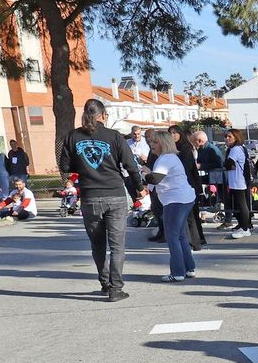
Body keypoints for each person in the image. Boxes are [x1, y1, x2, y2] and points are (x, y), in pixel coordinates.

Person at [58, 97, 145, 301]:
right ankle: (116, 288)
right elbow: (130, 165)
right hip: (114, 193)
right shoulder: (114, 136)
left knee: (97, 245)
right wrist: (139, 188)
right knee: (117, 246)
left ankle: (105, 283)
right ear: (103, 115)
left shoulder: (73, 136)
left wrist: (82, 166)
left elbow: (64, 166)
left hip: (90, 196)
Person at [145, 128, 197, 282]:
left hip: (175, 200)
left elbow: (154, 179)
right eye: (151, 141)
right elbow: (156, 180)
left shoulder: (165, 159)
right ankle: (189, 268)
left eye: (155, 142)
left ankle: (177, 273)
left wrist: (144, 173)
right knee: (180, 235)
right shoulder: (170, 157)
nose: (151, 144)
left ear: (163, 143)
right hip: (183, 198)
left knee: (172, 236)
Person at [220, 129, 252, 238]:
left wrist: (227, 164)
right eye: (226, 136)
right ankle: (242, 226)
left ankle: (245, 228)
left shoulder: (236, 149)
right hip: (235, 181)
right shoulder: (235, 149)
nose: (227, 138)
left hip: (239, 181)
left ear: (236, 138)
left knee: (242, 205)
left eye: (230, 136)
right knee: (238, 205)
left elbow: (228, 164)